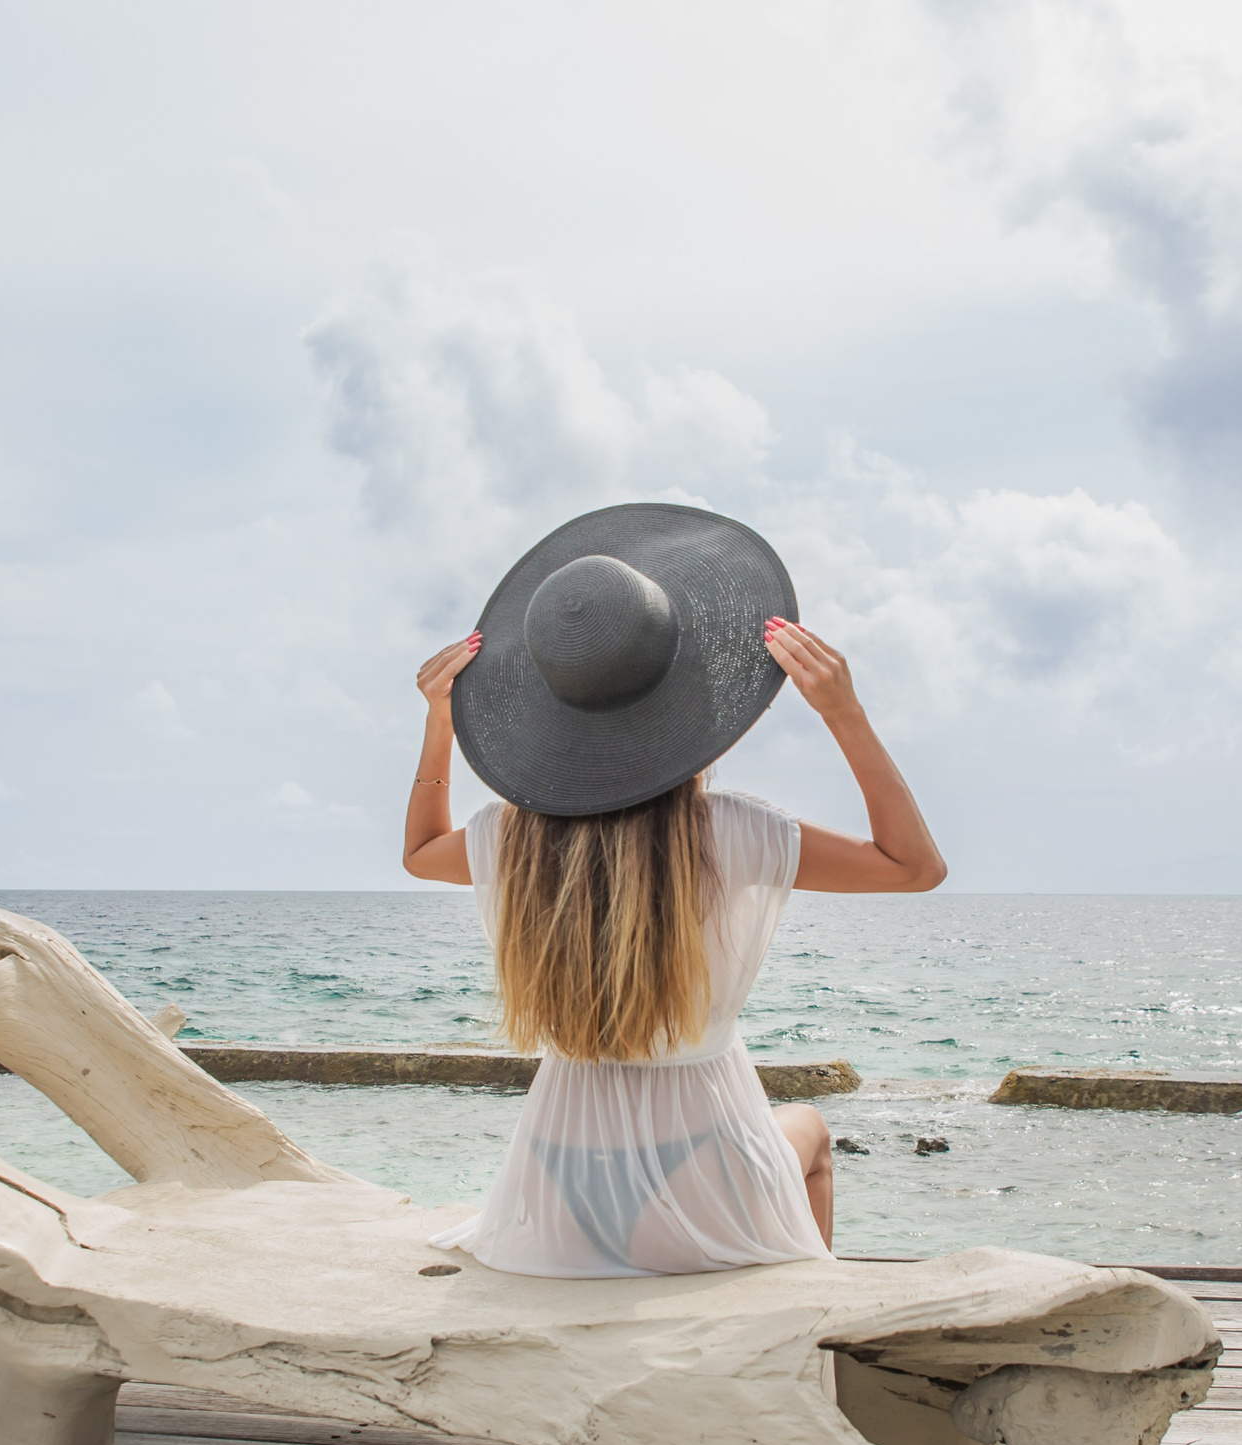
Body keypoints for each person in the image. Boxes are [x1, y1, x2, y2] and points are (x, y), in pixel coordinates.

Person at [401, 504, 946, 1278]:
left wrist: (440, 722)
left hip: (560, 1197)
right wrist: (843, 713)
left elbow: (420, 852)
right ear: (687, 707)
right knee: (812, 1133)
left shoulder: (513, 838)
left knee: (794, 1132)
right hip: (710, 1189)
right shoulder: (731, 832)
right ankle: (817, 1311)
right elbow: (914, 868)